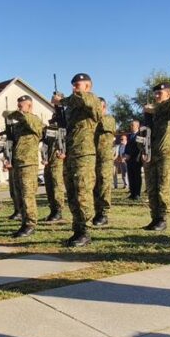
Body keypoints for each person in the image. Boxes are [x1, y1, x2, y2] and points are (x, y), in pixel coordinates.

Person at [53, 72, 102, 247]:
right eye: (73, 85)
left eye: (77, 85)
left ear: (87, 86)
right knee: (72, 193)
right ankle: (78, 230)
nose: (74, 88)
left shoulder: (91, 99)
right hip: (71, 154)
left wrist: (62, 100)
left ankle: (86, 231)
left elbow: (83, 100)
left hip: (85, 155)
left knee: (83, 192)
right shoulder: (73, 106)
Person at [143, 83, 170, 231]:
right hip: (151, 155)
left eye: (159, 93)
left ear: (168, 94)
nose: (156, 96)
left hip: (165, 155)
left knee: (163, 187)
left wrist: (153, 108)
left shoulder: (169, 111)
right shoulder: (151, 114)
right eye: (155, 94)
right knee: (151, 188)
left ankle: (163, 218)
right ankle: (155, 217)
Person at [4, 95, 45, 238]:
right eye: (18, 106)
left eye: (21, 106)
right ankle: (23, 221)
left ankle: (30, 224)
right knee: (19, 194)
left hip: (28, 163)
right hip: (17, 162)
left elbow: (31, 123)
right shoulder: (18, 125)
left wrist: (17, 114)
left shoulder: (34, 120)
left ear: (29, 106)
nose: (19, 109)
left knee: (28, 195)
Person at [92, 97, 116, 226]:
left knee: (104, 185)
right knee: (94, 186)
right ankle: (97, 211)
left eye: (98, 107)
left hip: (105, 158)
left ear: (104, 107)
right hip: (93, 156)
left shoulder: (109, 119)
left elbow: (103, 125)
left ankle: (104, 213)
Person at [123, 120, 143, 200]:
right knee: (130, 176)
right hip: (129, 160)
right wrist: (125, 154)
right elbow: (127, 146)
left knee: (137, 177)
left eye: (132, 125)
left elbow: (138, 147)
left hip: (136, 159)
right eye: (130, 125)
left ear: (137, 126)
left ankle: (137, 194)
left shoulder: (140, 135)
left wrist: (129, 155)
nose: (131, 127)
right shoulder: (129, 135)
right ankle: (132, 193)